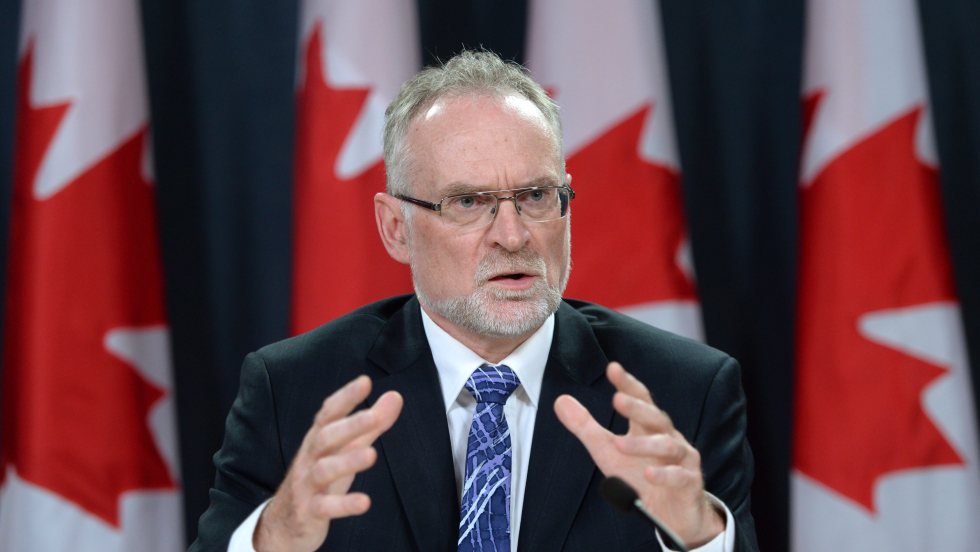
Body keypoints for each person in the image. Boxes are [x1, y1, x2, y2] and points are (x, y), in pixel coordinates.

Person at [190, 50, 758, 552]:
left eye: (536, 195)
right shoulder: (294, 391)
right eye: (467, 202)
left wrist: (700, 538)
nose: (512, 235)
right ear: (395, 228)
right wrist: (276, 537)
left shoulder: (684, 394)